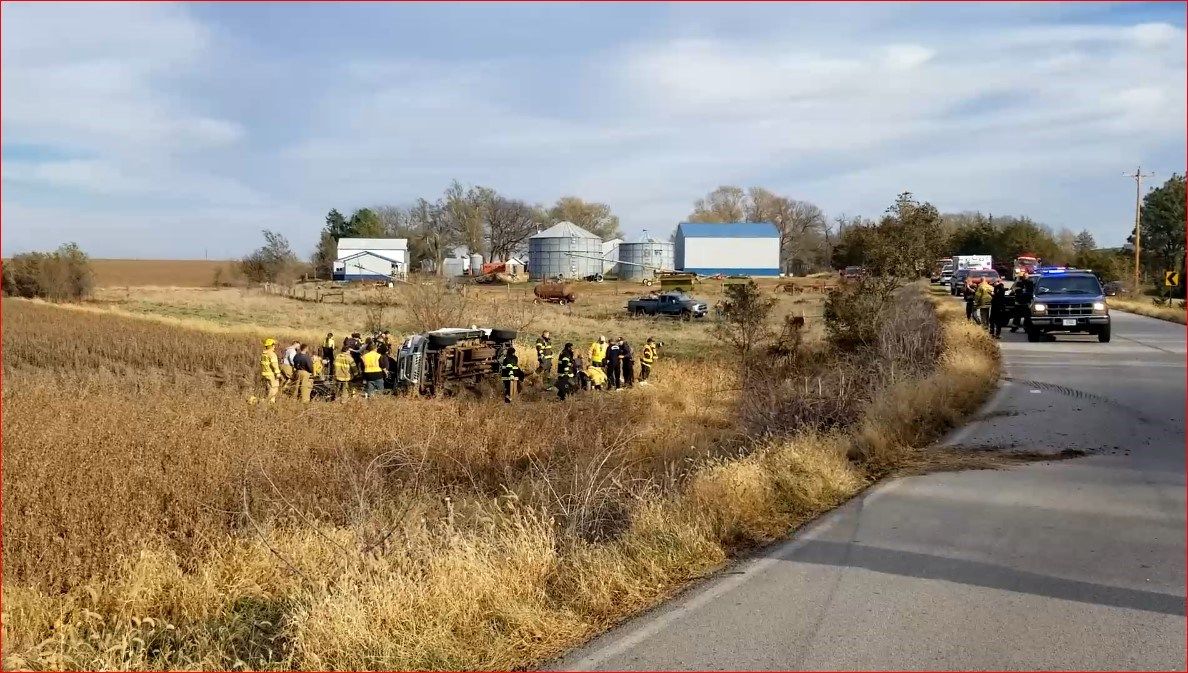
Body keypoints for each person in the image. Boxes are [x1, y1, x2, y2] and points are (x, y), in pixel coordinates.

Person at [257, 338, 282, 403]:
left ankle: (270, 402)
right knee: (274, 389)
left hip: (265, 374)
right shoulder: (272, 354)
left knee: (270, 388)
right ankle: (265, 402)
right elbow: (274, 364)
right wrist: (278, 373)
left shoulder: (264, 354)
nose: (274, 346)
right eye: (274, 345)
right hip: (272, 375)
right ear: (272, 345)